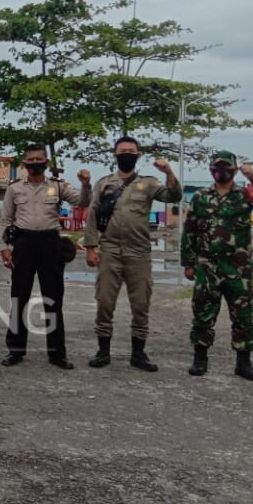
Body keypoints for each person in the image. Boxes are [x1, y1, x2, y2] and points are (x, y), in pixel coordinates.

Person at [83, 136, 182, 371]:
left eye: (131, 150)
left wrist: (168, 172)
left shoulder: (148, 183)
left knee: (140, 304)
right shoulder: (104, 183)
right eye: (122, 151)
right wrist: (90, 247)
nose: (126, 154)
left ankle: (138, 353)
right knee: (104, 302)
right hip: (109, 251)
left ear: (138, 155)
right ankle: (103, 351)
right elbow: (93, 214)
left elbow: (174, 196)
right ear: (115, 155)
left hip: (138, 253)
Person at [181, 151, 253, 381]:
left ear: (234, 170)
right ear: (211, 169)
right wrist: (188, 263)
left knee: (244, 314)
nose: (221, 171)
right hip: (207, 265)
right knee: (203, 312)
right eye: (217, 167)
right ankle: (200, 359)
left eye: (226, 167)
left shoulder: (245, 195)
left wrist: (252, 177)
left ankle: (244, 363)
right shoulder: (201, 196)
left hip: (238, 268)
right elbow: (189, 230)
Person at [0, 145, 91, 369]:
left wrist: (86, 185)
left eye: (39, 159)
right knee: (19, 298)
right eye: (30, 159)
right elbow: (6, 219)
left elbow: (82, 202)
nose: (35, 163)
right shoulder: (14, 188)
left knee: (53, 299)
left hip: (50, 244)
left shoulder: (58, 186)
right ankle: (15, 350)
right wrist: (4, 248)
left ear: (46, 163)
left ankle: (57, 354)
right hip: (23, 244)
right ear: (24, 163)